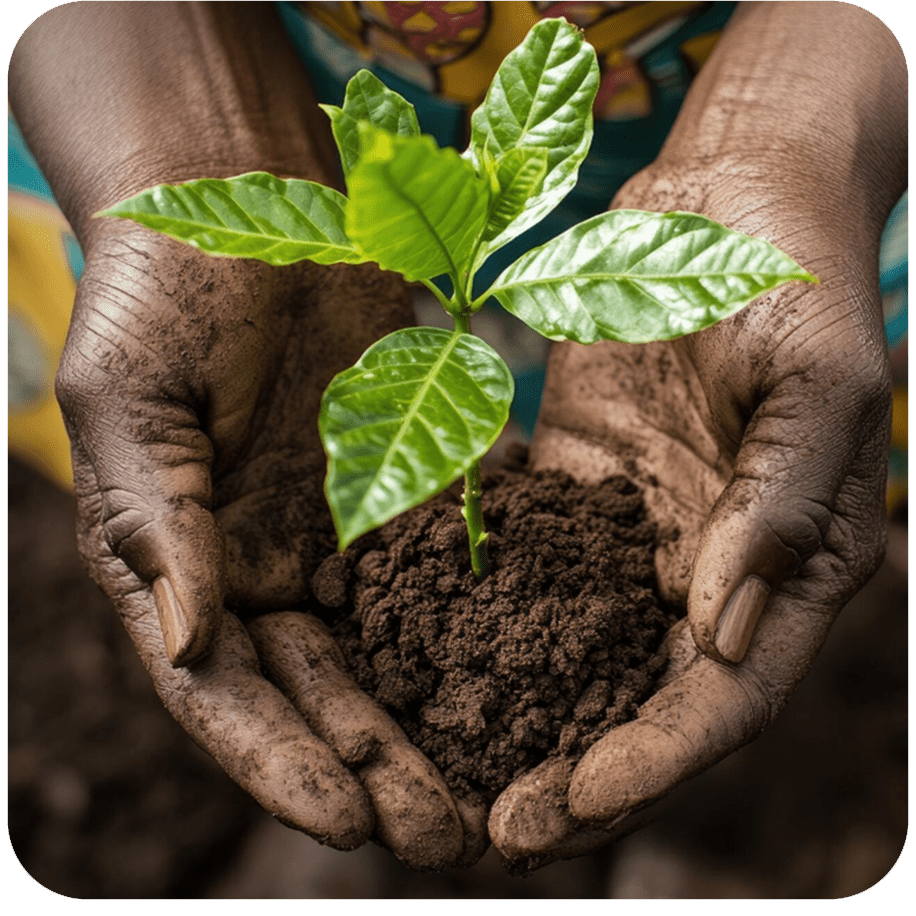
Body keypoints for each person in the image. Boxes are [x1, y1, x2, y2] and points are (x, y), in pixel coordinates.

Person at [8, 1, 908, 872]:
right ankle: (354, 830)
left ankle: (727, 814)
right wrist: (186, 121)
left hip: (765, 107)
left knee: (782, 489)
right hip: (194, 78)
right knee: (222, 520)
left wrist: (791, 134)